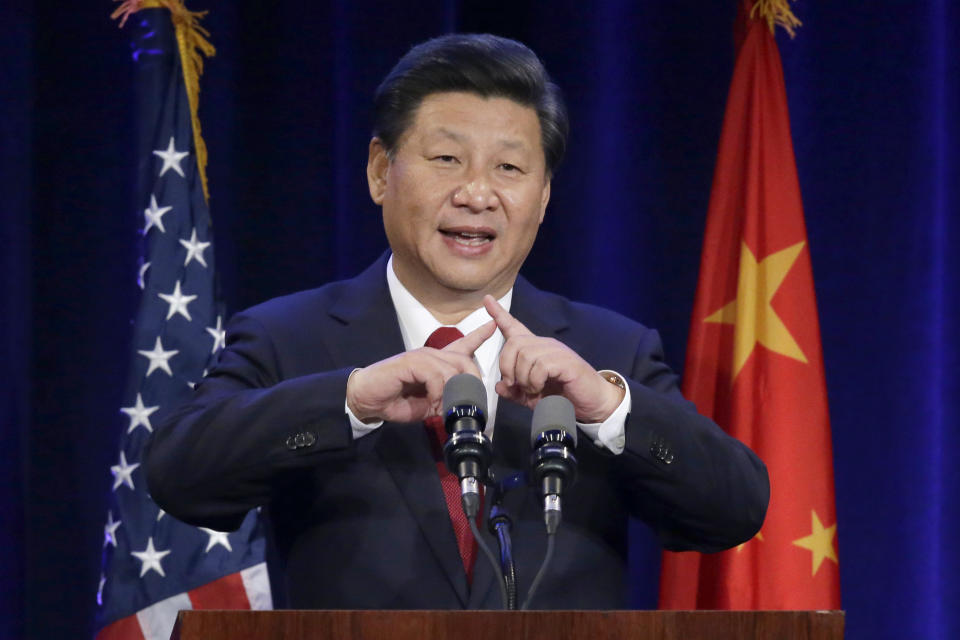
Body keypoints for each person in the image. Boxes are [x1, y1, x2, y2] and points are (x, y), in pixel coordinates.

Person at [145, 33, 768, 610]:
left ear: (544, 196)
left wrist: (607, 411)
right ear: (380, 171)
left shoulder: (610, 351)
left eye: (510, 168)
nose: (477, 193)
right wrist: (351, 400)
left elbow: (731, 511)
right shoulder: (290, 336)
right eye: (446, 158)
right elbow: (181, 478)